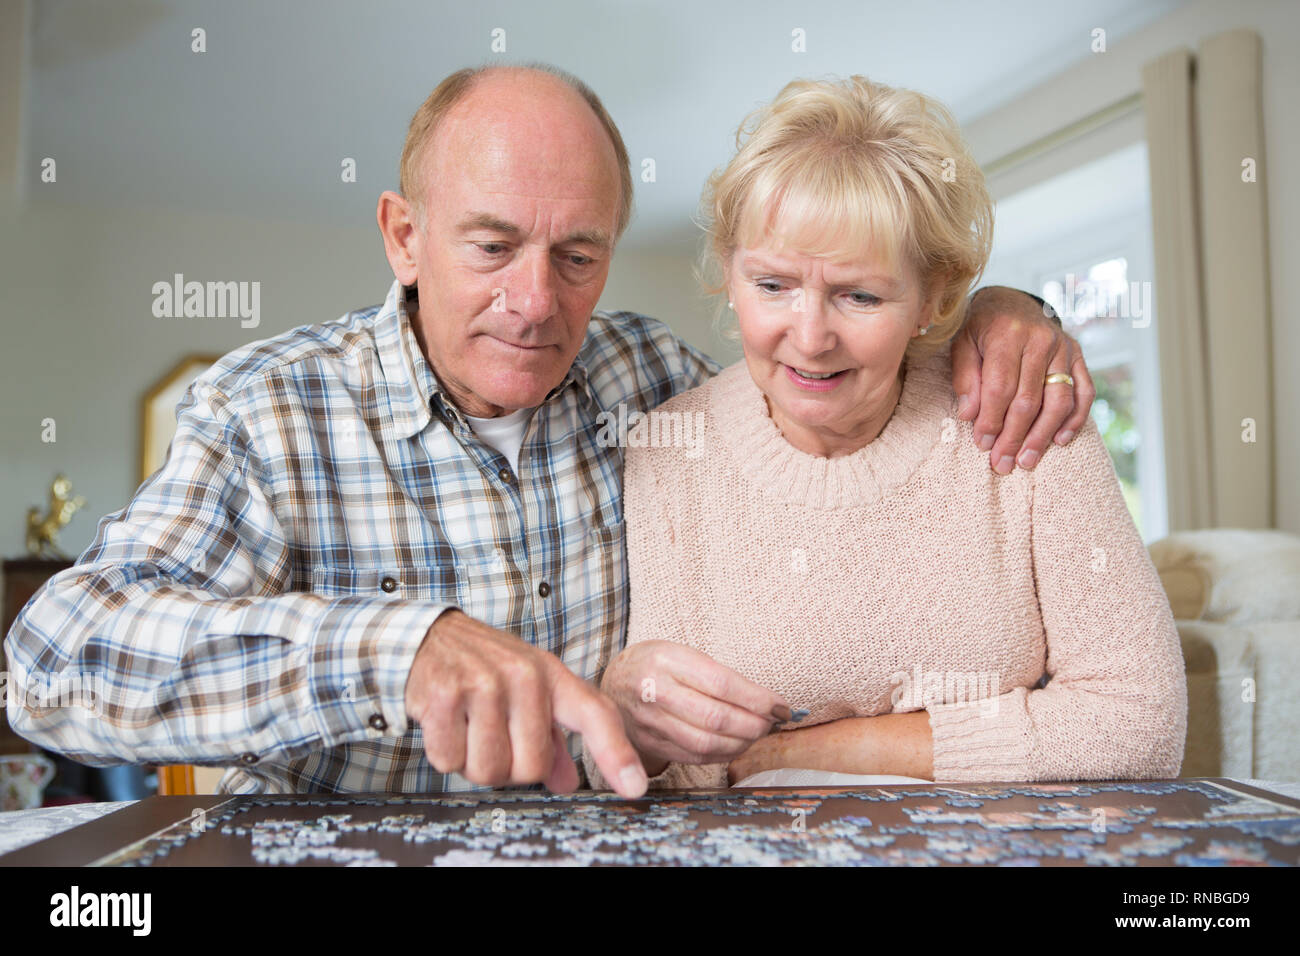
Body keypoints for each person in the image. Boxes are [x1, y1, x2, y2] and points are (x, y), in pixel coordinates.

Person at [5, 64, 1096, 797]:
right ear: (402, 235)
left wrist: (1005, 315)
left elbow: (832, 372)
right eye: (490, 247)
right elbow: (50, 666)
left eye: (577, 255)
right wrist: (399, 648)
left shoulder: (657, 380)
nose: (535, 303)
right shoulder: (265, 412)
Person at [590, 75, 1185, 789]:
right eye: (772, 285)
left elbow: (1139, 722)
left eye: (859, 295)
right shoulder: (670, 449)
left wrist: (795, 752)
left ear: (934, 296)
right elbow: (669, 773)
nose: (810, 339)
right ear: (728, 270)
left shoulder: (1024, 412)